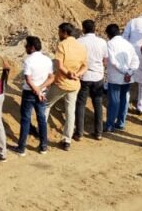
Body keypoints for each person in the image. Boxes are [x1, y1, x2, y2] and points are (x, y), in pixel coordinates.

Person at [45, 23, 87, 151]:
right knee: (70, 111)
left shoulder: (62, 45)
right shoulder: (81, 47)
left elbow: (59, 65)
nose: (58, 34)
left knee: (46, 105)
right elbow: (85, 66)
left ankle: (42, 132)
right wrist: (77, 75)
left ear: (64, 32)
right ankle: (67, 140)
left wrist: (68, 74)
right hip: (75, 84)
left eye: (59, 32)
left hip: (62, 82)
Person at [13, 36, 54, 156]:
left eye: (26, 46)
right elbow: (51, 77)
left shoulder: (28, 60)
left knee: (25, 119)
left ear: (32, 47)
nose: (25, 48)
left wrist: (36, 90)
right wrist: (40, 90)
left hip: (29, 93)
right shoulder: (47, 60)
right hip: (42, 92)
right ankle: (43, 146)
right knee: (42, 119)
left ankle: (21, 148)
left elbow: (28, 80)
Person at [74, 19, 108, 141]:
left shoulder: (79, 42)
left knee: (81, 104)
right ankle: (98, 132)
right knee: (98, 104)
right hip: (98, 77)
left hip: (84, 76)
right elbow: (105, 61)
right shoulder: (102, 42)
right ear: (95, 29)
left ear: (83, 29)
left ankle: (79, 133)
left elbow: (76, 60)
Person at [104, 24, 138, 132]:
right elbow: (135, 60)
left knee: (114, 101)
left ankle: (110, 125)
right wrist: (130, 72)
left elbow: (113, 61)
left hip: (115, 77)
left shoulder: (110, 43)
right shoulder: (128, 44)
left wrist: (124, 71)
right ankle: (121, 123)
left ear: (109, 34)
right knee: (124, 100)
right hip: (127, 77)